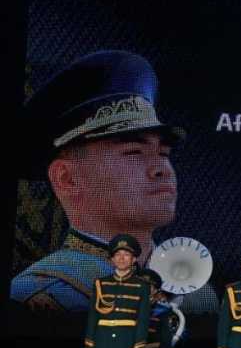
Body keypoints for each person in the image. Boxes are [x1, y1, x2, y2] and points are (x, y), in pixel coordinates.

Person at [11, 49, 216, 313]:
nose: (161, 170)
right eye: (134, 152)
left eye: (164, 154)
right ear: (67, 178)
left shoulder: (198, 296)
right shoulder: (43, 297)